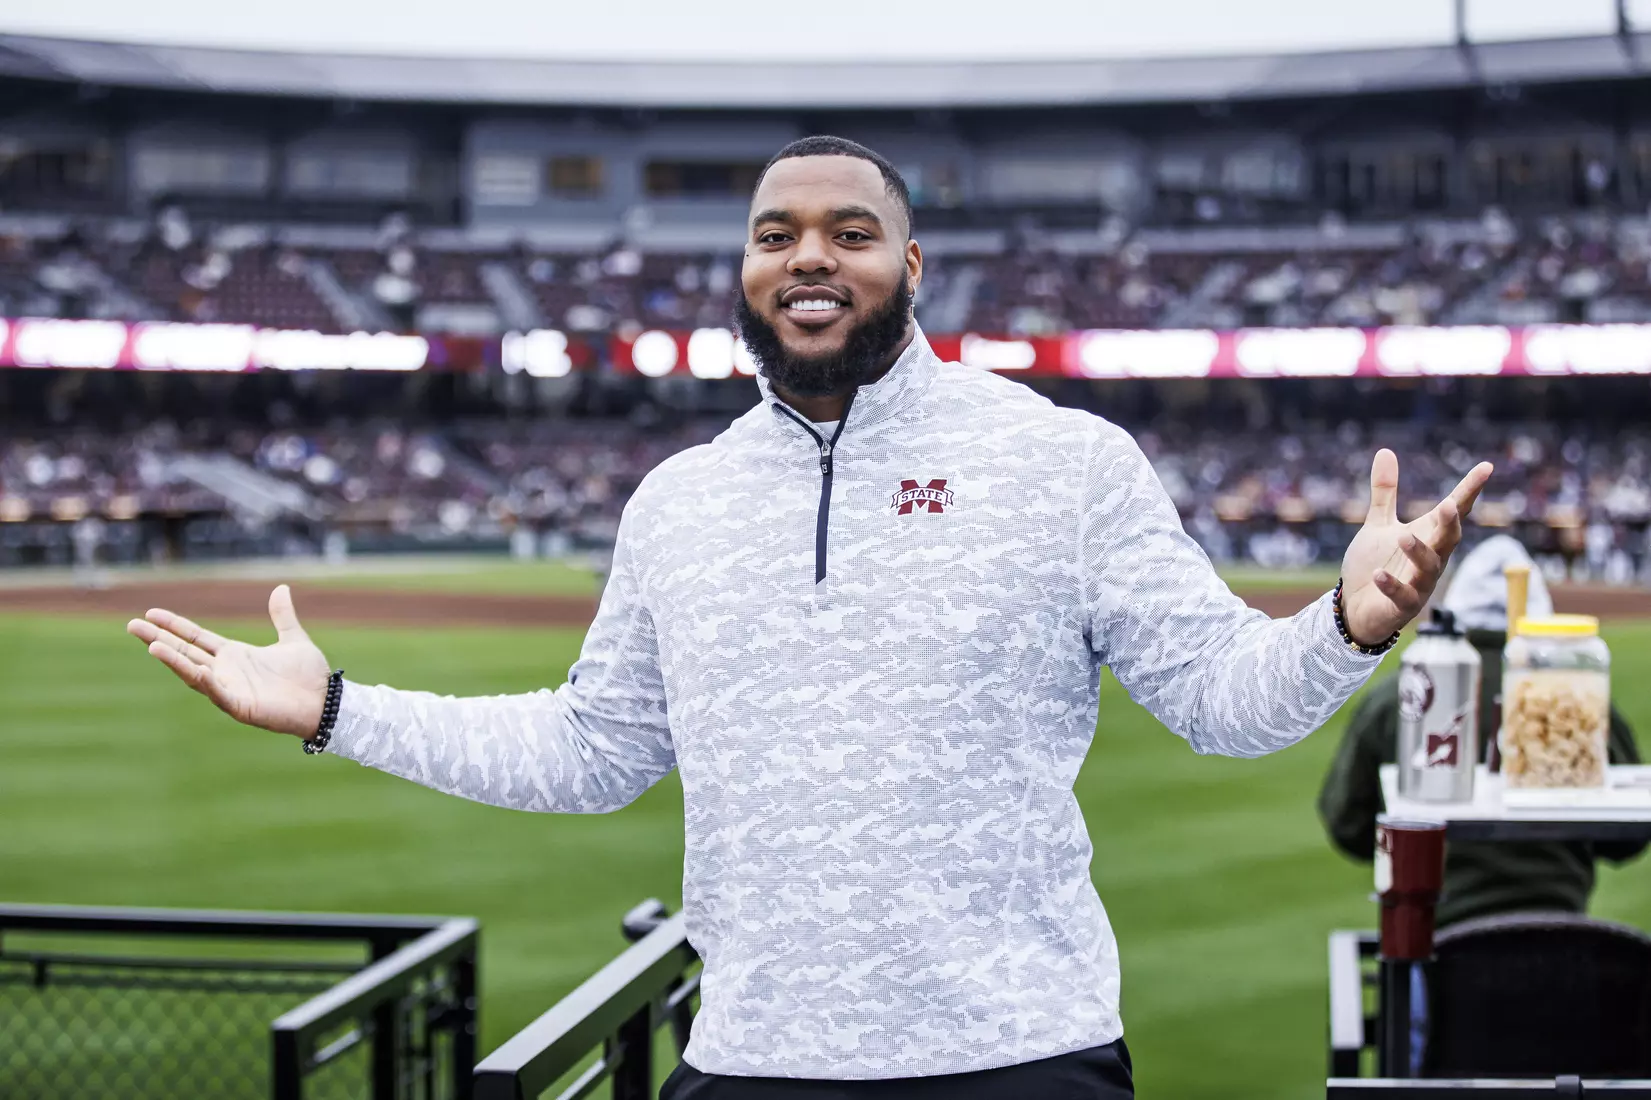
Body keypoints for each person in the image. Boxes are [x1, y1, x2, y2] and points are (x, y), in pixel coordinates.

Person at [127, 136, 1492, 1100]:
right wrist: (337, 710)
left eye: (847, 231)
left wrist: (1343, 623)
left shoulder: (1063, 461)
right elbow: (590, 752)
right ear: (741, 269)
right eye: (775, 233)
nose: (807, 257)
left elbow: (1217, 698)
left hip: (1019, 1058)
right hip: (751, 1058)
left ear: (911, 261)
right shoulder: (677, 501)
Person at [1318, 535, 1646, 927]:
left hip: (1437, 938)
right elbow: (1629, 836)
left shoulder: (1400, 693)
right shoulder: (1575, 696)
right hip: (1564, 933)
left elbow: (1347, 823)